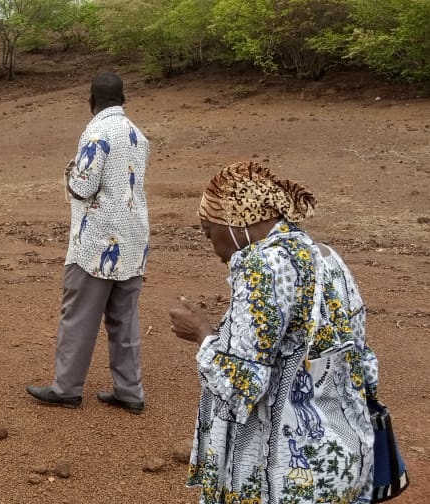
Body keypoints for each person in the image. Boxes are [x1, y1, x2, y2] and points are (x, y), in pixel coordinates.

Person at [168, 161, 378, 503]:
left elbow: (241, 385)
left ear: (235, 222)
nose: (215, 248)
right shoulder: (327, 257)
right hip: (342, 458)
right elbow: (363, 364)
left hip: (286, 474)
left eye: (210, 233)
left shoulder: (262, 265)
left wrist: (202, 334)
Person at [26, 72, 150, 413]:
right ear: (124, 99)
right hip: (134, 238)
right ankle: (130, 392)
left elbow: (81, 186)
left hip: (96, 241)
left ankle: (66, 388)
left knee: (79, 316)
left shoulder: (97, 132)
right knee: (124, 319)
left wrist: (68, 172)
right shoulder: (139, 136)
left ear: (91, 101)